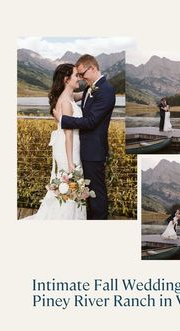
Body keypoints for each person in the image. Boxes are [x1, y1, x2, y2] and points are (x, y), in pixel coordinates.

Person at [53, 54, 116, 220]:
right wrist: (63, 95)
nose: (81, 78)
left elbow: (92, 121)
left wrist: (63, 119)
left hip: (93, 151)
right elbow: (72, 96)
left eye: (82, 74)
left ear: (93, 68)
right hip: (83, 150)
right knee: (88, 194)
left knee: (97, 195)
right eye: (78, 75)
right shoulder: (91, 87)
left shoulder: (106, 90)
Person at [22, 63, 86, 220]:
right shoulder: (65, 102)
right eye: (76, 75)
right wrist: (71, 162)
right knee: (70, 186)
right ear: (66, 79)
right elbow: (68, 134)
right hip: (68, 149)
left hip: (67, 146)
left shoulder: (69, 96)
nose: (79, 78)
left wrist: (92, 88)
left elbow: (80, 95)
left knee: (67, 187)